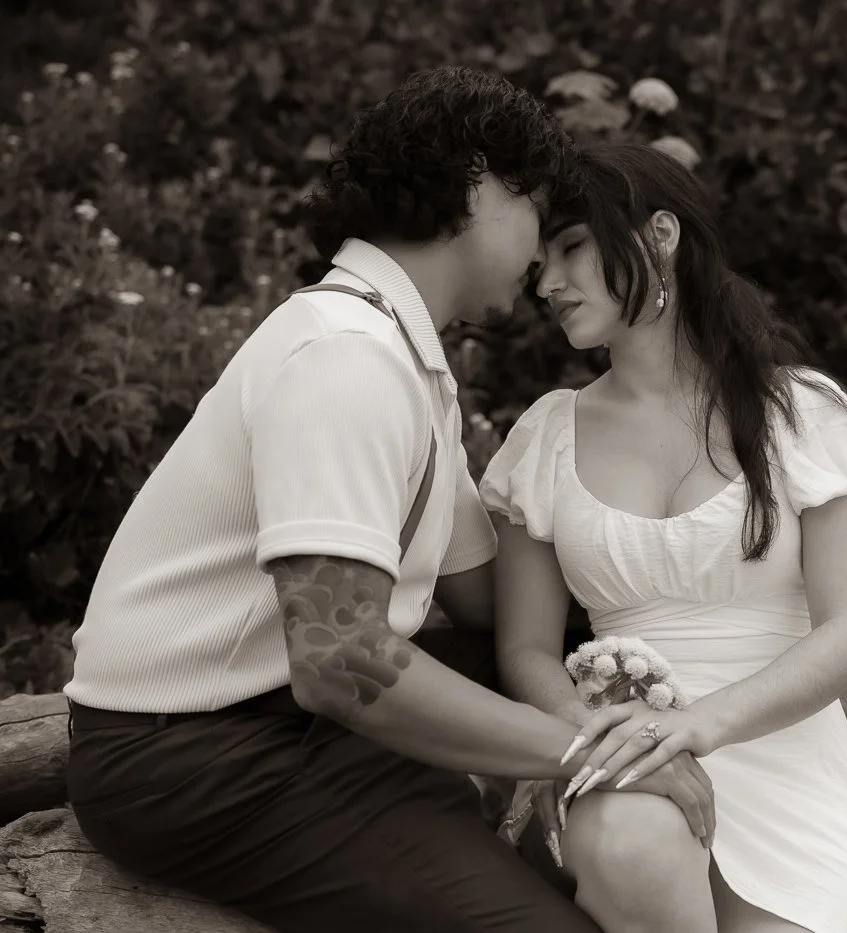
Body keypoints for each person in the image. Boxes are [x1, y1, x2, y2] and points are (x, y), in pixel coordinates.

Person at [61, 67, 713, 933]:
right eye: (536, 215)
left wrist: (682, 623)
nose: (538, 259)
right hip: (195, 755)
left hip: (293, 728)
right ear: (480, 186)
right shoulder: (346, 360)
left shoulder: (400, 353)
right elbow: (340, 660)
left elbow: (491, 601)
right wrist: (593, 749)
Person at [479, 142, 847, 933]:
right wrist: (604, 740)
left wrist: (697, 725)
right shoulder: (545, 436)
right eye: (540, 263)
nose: (548, 283)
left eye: (571, 248)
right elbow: (526, 651)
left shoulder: (801, 413)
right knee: (634, 841)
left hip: (791, 775)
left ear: (660, 235)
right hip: (617, 768)